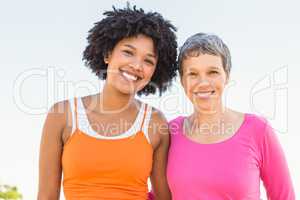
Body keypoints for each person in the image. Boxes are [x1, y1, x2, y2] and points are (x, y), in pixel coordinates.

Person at [38, 4, 177, 200]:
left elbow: (165, 197)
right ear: (107, 54)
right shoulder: (61, 115)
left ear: (155, 70)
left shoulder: (155, 122)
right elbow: (46, 195)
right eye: (128, 52)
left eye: (148, 61)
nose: (137, 65)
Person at [166, 33, 295, 199]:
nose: (203, 82)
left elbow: (284, 196)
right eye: (193, 74)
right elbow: (158, 194)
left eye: (212, 72)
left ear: (226, 76)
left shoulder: (258, 130)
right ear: (183, 81)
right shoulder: (170, 132)